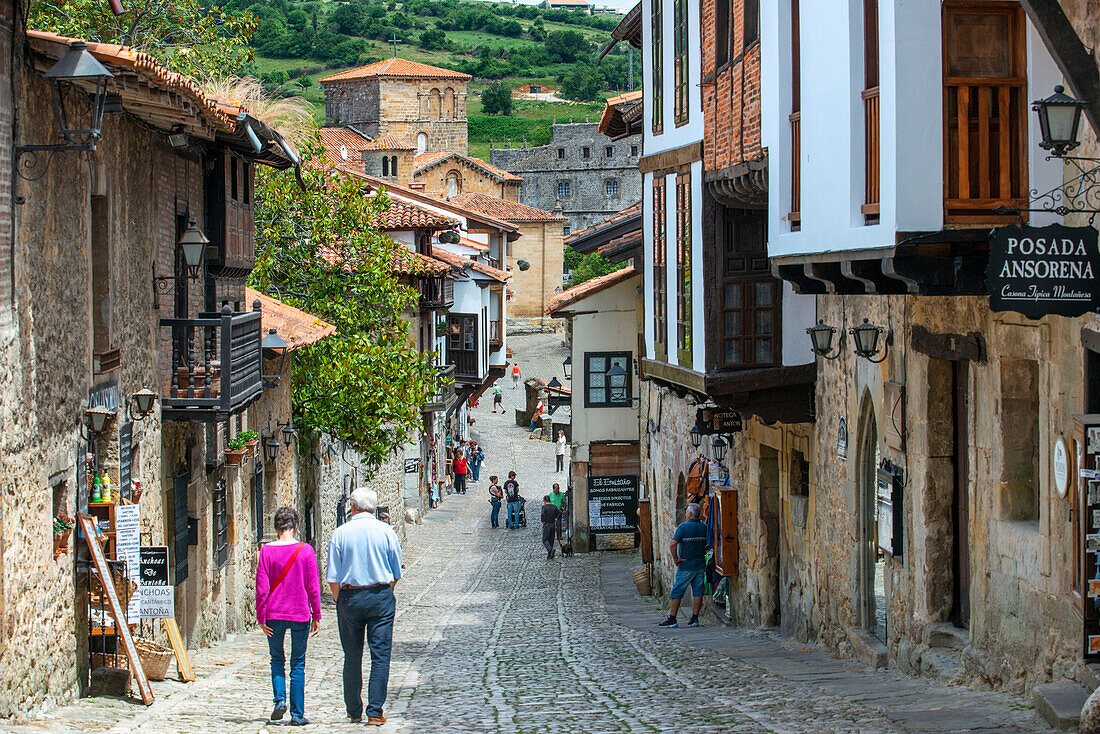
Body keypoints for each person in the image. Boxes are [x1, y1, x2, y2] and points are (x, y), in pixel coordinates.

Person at [327, 488, 402, 726]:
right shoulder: (387, 532)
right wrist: (385, 591)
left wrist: (341, 600)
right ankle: (375, 711)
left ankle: (353, 710)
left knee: (352, 655)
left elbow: (332, 576)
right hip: (380, 595)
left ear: (352, 507)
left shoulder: (340, 533)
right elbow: (396, 570)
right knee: (380, 655)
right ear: (374, 507)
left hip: (349, 597)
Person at [256, 507, 321, 726]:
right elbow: (313, 587)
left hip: (274, 614)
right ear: (295, 526)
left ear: (276, 527)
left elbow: (262, 589)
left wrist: (261, 617)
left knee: (276, 659)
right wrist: (317, 614)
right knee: (298, 663)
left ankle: (279, 700)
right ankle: (297, 714)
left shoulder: (266, 551)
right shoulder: (306, 551)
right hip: (300, 613)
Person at [659, 503, 710, 628]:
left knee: (677, 591)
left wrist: (676, 558)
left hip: (686, 564)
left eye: (687, 512)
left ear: (690, 514)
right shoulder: (704, 527)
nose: (686, 514)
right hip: (700, 564)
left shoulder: (683, 527)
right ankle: (694, 618)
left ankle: (672, 618)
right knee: (698, 592)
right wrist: (703, 551)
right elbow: (710, 544)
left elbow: (673, 543)